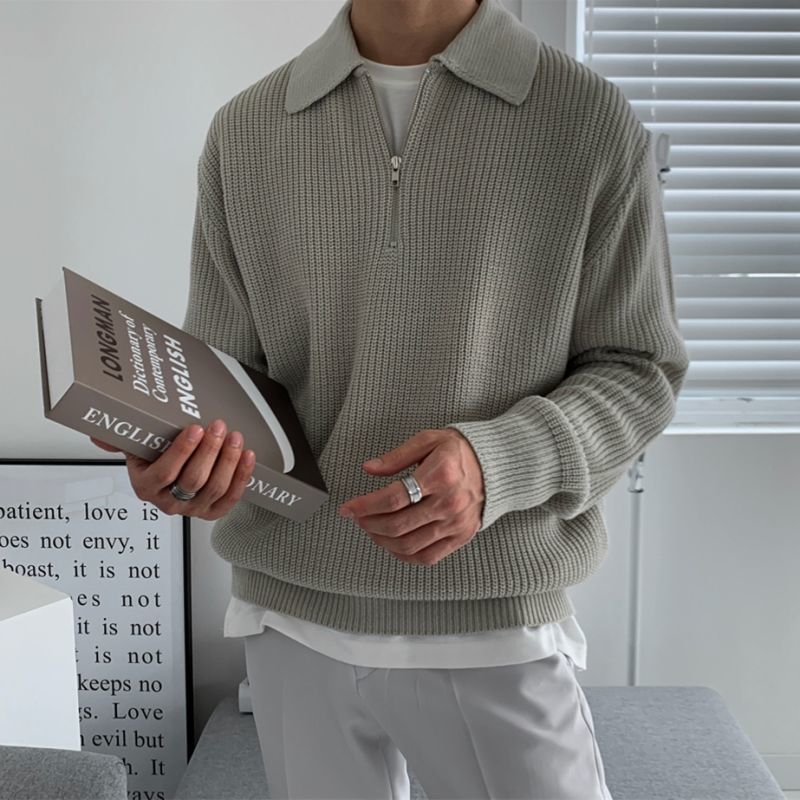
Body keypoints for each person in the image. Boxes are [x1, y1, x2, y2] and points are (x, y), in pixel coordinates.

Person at [94, 0, 689, 797]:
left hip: (492, 618)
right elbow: (233, 375)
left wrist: (494, 463)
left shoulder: (585, 119)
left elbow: (638, 368)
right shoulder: (247, 130)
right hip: (291, 619)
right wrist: (179, 455)